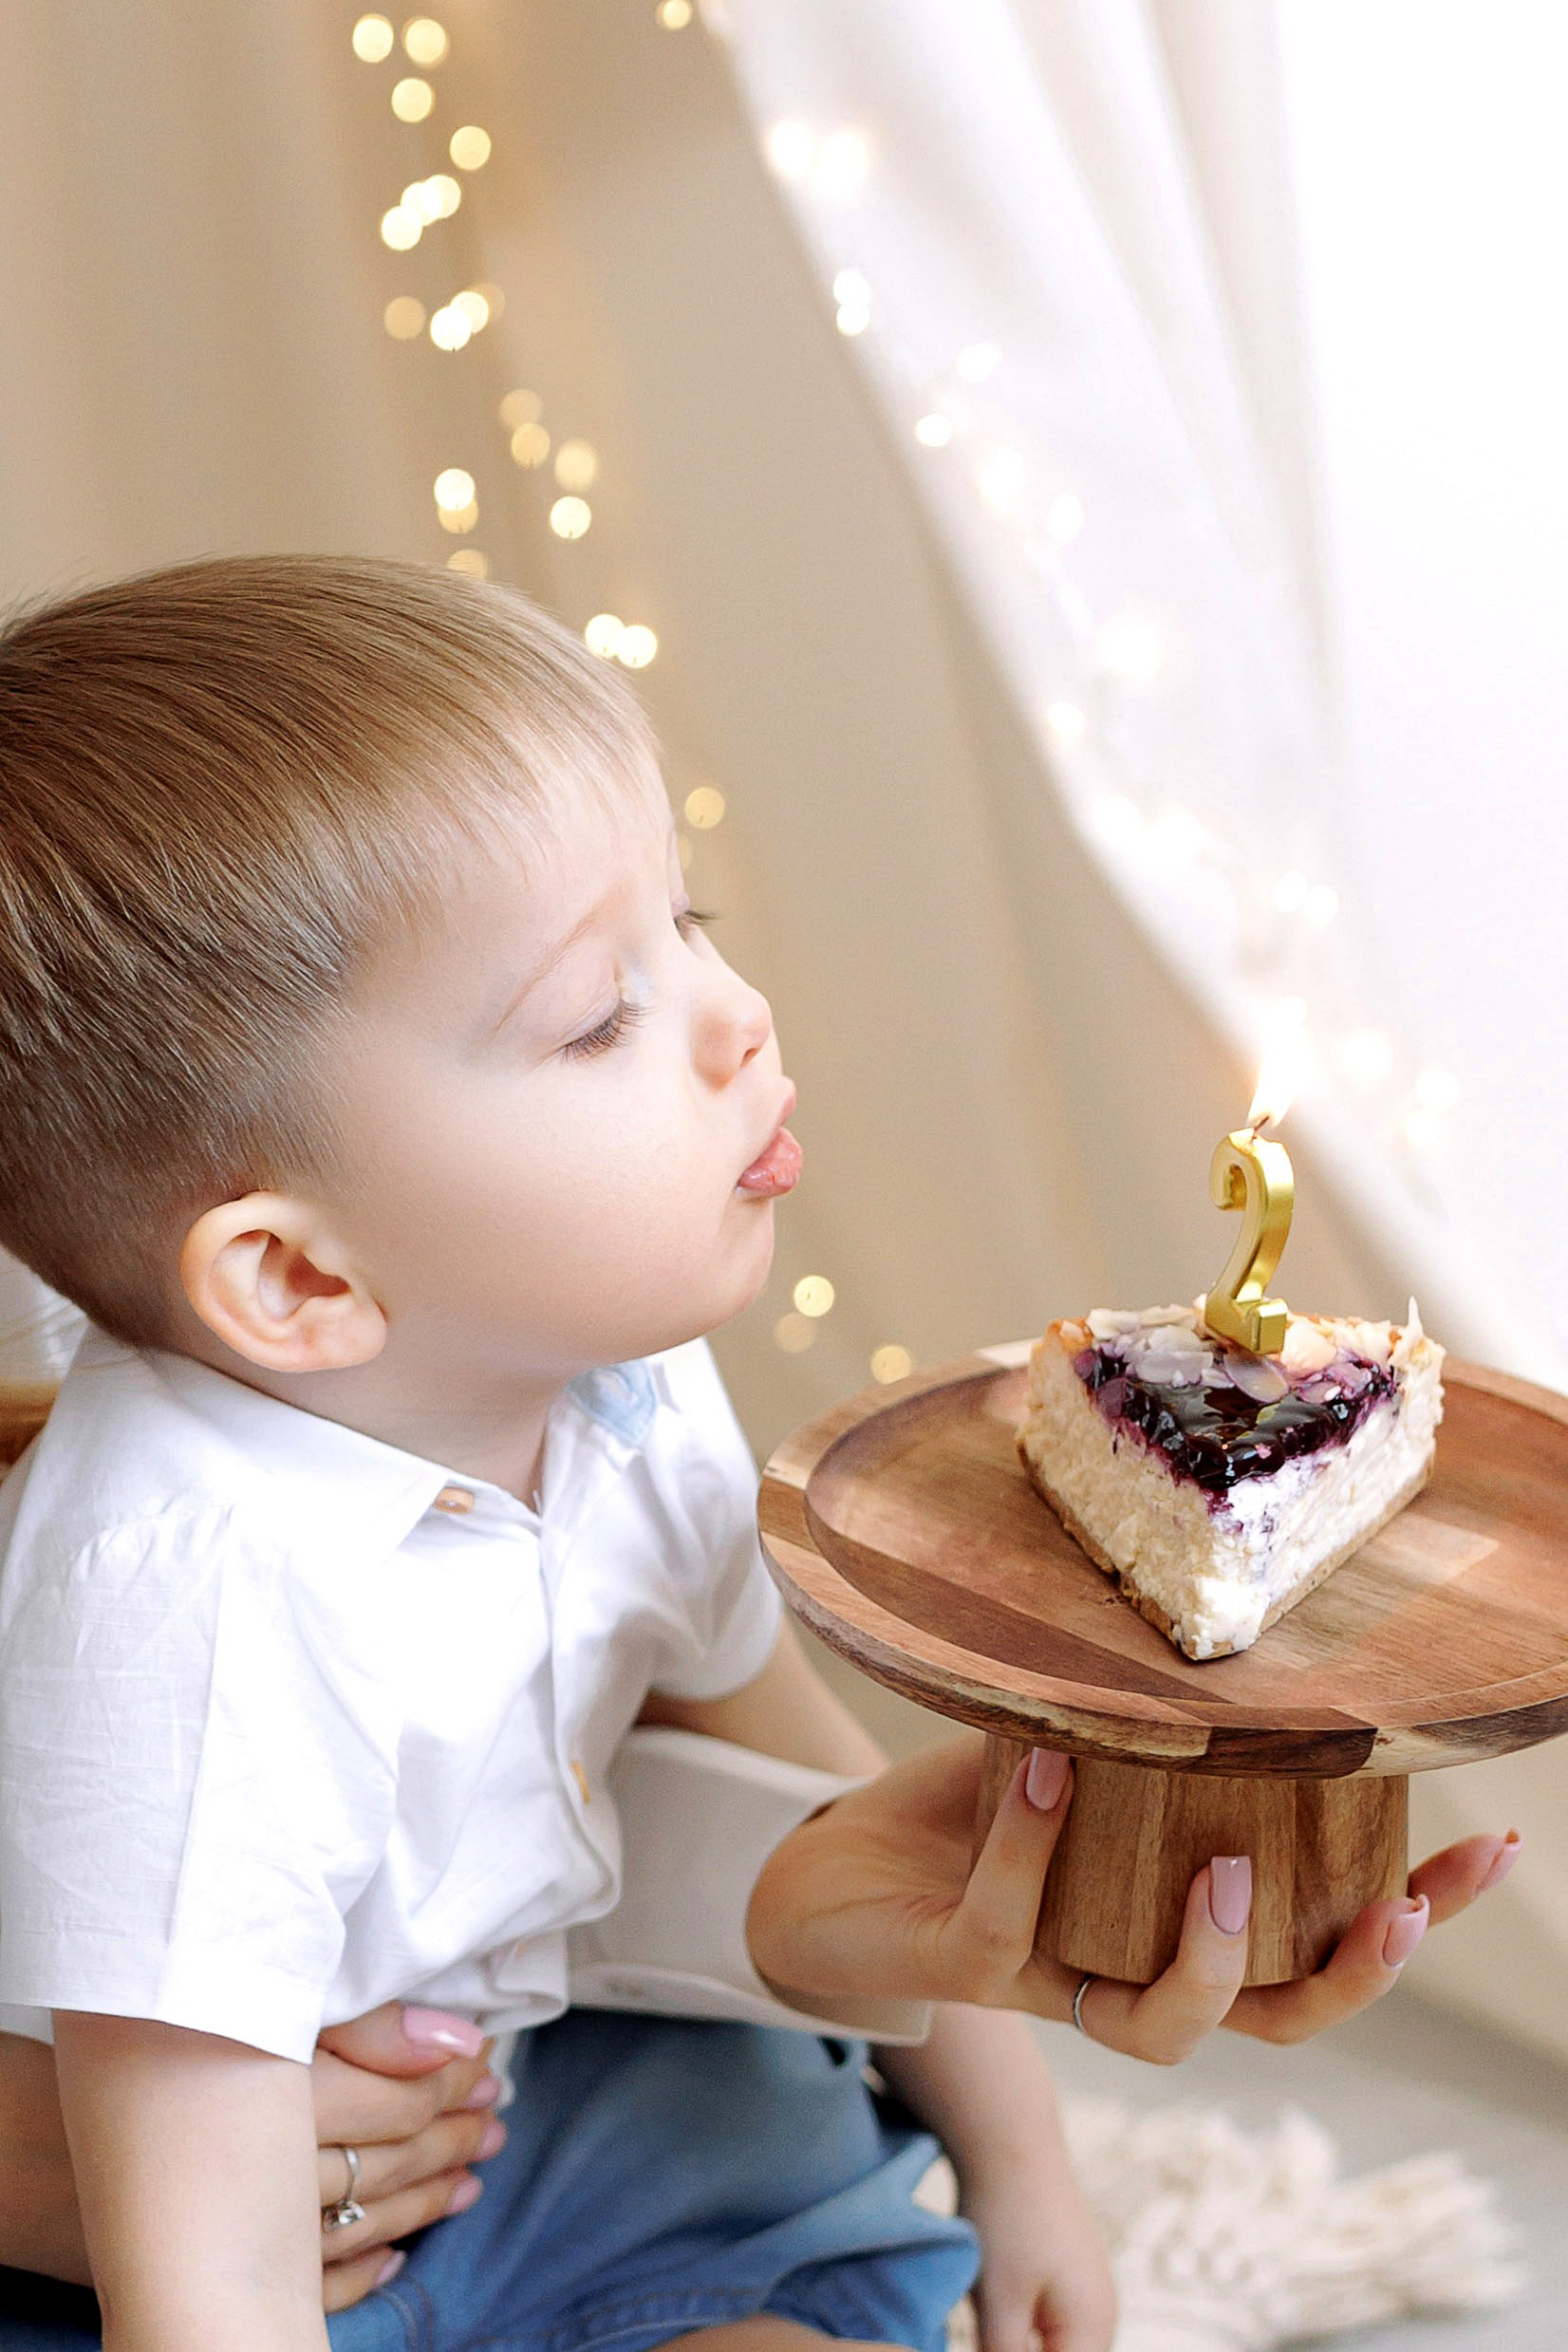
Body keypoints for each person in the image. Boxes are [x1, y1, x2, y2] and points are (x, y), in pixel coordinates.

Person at [0, 557, 1516, 2352]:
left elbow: (814, 1778)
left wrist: (1026, 2165)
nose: (739, 1019)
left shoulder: (610, 1385)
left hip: (547, 2076)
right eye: (596, 1014)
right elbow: (203, 2258)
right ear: (300, 1275)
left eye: (691, 918)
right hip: (205, 2181)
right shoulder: (184, 1601)